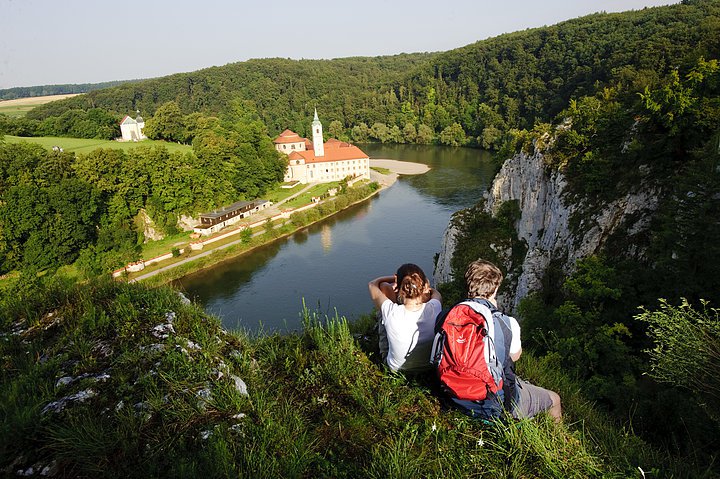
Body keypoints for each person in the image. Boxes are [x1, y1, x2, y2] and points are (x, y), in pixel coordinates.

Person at [462, 259, 562, 422]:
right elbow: (513, 357)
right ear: (494, 291)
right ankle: (560, 444)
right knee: (554, 399)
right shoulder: (507, 323)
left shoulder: (449, 316)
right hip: (493, 403)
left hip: (454, 396)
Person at [368, 263, 442, 372]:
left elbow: (372, 284)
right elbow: (435, 293)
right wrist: (423, 287)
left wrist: (396, 279)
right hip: (429, 365)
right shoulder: (434, 307)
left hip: (396, 368)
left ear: (399, 286)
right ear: (424, 286)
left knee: (384, 293)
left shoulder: (391, 311)